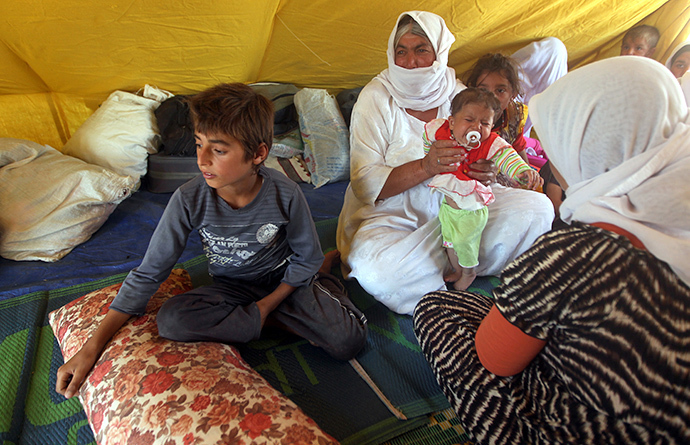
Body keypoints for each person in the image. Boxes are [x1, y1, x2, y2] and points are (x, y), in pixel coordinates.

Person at [413, 56, 690, 444]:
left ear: (587, 147)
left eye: (558, 139)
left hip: (592, 429)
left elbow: (495, 358)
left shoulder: (572, 254)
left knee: (436, 310)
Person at [56, 83, 368, 399]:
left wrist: (265, 305)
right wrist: (90, 348)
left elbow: (306, 258)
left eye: (218, 150)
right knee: (172, 321)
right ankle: (275, 321)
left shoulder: (285, 193)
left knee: (347, 340)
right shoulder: (188, 199)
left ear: (258, 154)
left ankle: (321, 286)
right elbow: (150, 272)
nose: (202, 160)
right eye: (198, 144)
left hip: (284, 280)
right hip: (231, 286)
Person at [336, 11, 555, 315]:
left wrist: (487, 173)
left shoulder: (457, 93)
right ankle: (456, 263)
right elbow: (364, 184)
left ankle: (445, 261)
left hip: (458, 204)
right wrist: (426, 167)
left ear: (439, 52)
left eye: (421, 50)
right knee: (378, 271)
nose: (410, 61)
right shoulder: (376, 98)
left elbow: (488, 147)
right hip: (396, 216)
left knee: (538, 209)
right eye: (402, 51)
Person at [423, 88, 542, 290]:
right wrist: (429, 156)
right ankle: (457, 270)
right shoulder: (439, 130)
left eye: (484, 123)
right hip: (449, 203)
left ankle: (469, 273)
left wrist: (522, 171)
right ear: (452, 121)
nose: (476, 127)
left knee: (464, 243)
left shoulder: (490, 143)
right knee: (449, 239)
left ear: (492, 126)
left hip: (471, 209)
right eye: (469, 120)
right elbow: (427, 137)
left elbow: (507, 156)